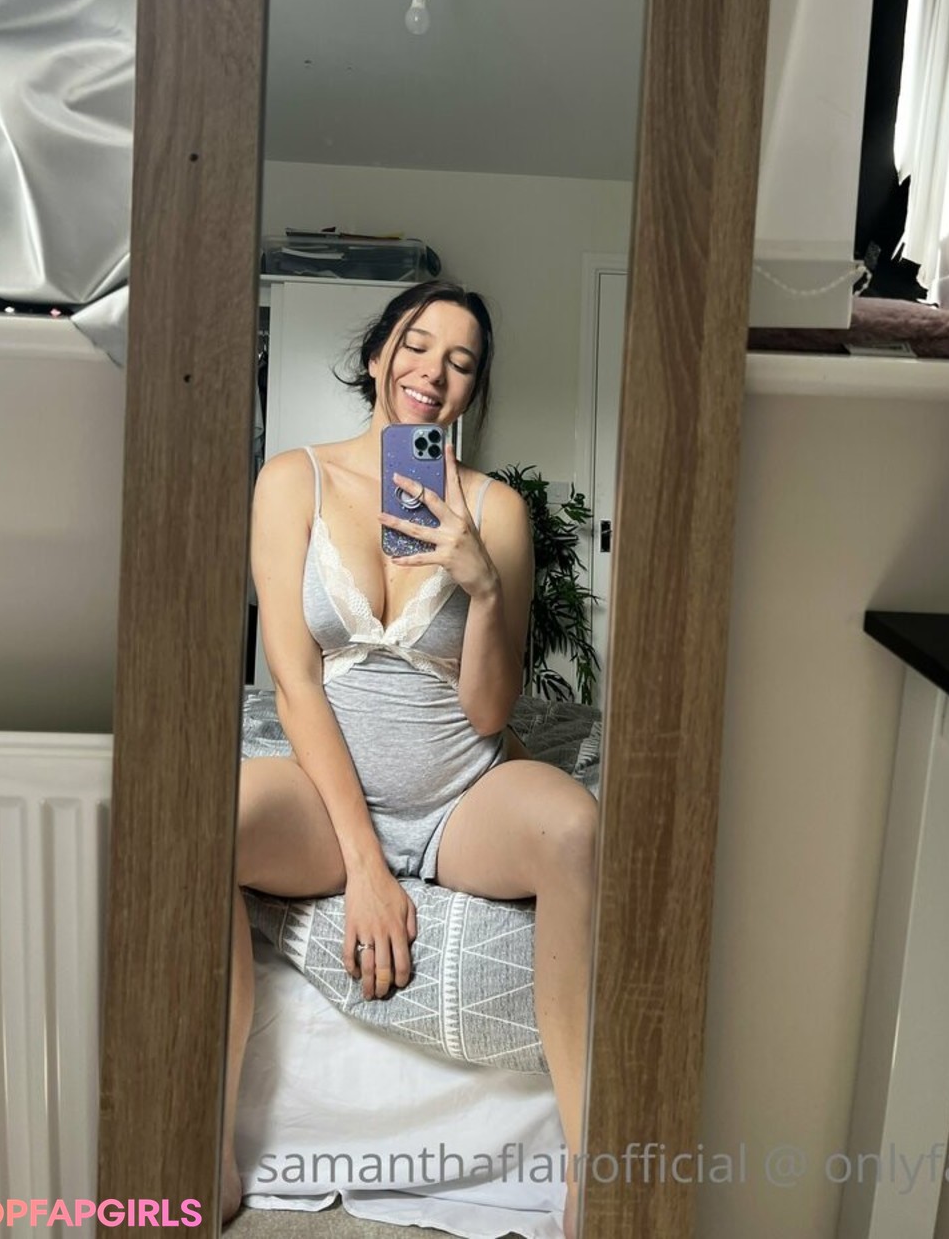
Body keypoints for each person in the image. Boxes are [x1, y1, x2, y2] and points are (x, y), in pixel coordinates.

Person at [223, 280, 597, 1238]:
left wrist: (483, 584)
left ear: (473, 390)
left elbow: (489, 710)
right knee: (207, 825)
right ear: (377, 353)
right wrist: (364, 869)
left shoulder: (496, 509)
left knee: (576, 829)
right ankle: (211, 1133)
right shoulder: (292, 480)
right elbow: (293, 681)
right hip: (326, 802)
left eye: (461, 362)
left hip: (460, 800)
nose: (434, 372)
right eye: (418, 345)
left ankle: (591, 1154)